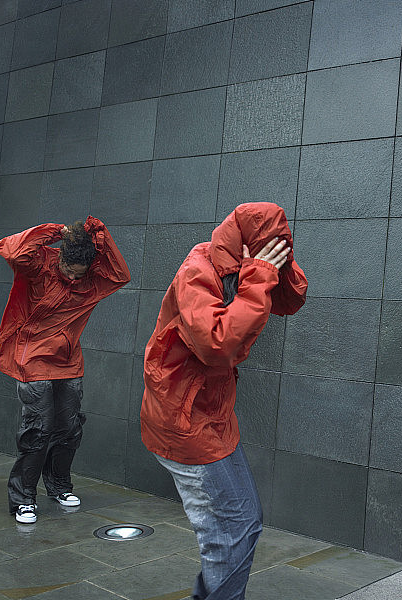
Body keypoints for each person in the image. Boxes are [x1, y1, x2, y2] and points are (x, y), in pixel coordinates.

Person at [140, 202, 308, 600]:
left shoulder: (241, 265)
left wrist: (270, 269)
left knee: (240, 524)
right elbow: (218, 344)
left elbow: (290, 299)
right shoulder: (196, 271)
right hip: (183, 422)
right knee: (233, 528)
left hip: (210, 415)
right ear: (246, 245)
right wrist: (259, 274)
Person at [0, 217, 131, 524]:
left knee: (69, 428)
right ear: (62, 258)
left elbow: (120, 274)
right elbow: (14, 252)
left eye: (77, 273)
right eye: (68, 270)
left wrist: (99, 234)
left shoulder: (90, 280)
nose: (72, 277)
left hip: (68, 360)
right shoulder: (41, 264)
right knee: (38, 429)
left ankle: (58, 485)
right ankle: (23, 497)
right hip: (32, 359)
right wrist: (55, 232)